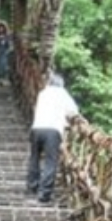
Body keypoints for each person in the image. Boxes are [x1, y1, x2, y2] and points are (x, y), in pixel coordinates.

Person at [27, 72, 79, 203]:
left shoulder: (43, 93)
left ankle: (32, 185)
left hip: (36, 128)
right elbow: (73, 111)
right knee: (50, 161)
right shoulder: (62, 94)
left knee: (34, 157)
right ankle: (44, 193)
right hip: (53, 130)